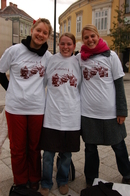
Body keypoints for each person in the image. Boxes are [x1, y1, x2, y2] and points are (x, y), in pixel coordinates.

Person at [0, 18, 52, 191]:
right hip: (15, 109)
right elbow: (0, 72)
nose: (41, 34)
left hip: (37, 108)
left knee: (35, 147)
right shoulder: (14, 51)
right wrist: (11, 89)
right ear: (32, 29)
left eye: (45, 33)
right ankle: (21, 180)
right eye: (39, 30)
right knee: (17, 147)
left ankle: (34, 177)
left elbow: (51, 80)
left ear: (48, 36)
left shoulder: (48, 57)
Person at [77, 24, 130, 187]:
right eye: (86, 37)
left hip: (110, 112)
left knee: (119, 145)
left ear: (98, 36)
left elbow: (119, 85)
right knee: (90, 148)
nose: (90, 39)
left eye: (92, 36)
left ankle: (127, 174)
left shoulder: (111, 56)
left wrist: (122, 110)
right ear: (83, 40)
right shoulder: (80, 58)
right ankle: (91, 179)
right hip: (88, 112)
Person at [40, 33, 81, 196]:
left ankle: (63, 180)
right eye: (62, 44)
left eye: (69, 44)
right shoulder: (51, 60)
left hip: (71, 115)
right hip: (52, 115)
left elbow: (81, 87)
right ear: (58, 44)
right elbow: (42, 84)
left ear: (74, 45)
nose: (65, 47)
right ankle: (46, 182)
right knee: (48, 154)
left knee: (66, 153)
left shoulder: (78, 62)